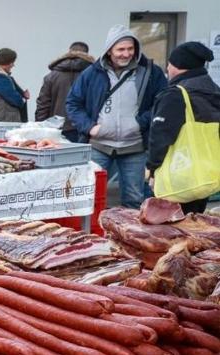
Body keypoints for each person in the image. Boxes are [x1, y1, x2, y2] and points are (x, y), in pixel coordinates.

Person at [66, 24, 167, 209]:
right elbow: (73, 103)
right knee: (91, 198)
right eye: (120, 49)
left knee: (134, 200)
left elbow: (162, 103)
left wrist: (140, 123)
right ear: (109, 50)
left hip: (134, 146)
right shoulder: (91, 73)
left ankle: (131, 237)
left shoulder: (151, 72)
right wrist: (89, 127)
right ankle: (94, 236)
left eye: (130, 49)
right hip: (98, 146)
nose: (126, 54)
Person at [147, 42, 220, 214]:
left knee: (170, 227)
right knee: (196, 223)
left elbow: (161, 135)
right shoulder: (215, 92)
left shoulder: (175, 94)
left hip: (178, 176)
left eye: (170, 63)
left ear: (179, 66)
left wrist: (152, 169)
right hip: (205, 175)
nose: (167, 68)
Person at [36, 42, 95, 142]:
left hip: (56, 128)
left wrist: (40, 127)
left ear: (69, 52)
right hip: (84, 127)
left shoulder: (52, 76)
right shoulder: (94, 75)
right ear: (87, 54)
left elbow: (43, 104)